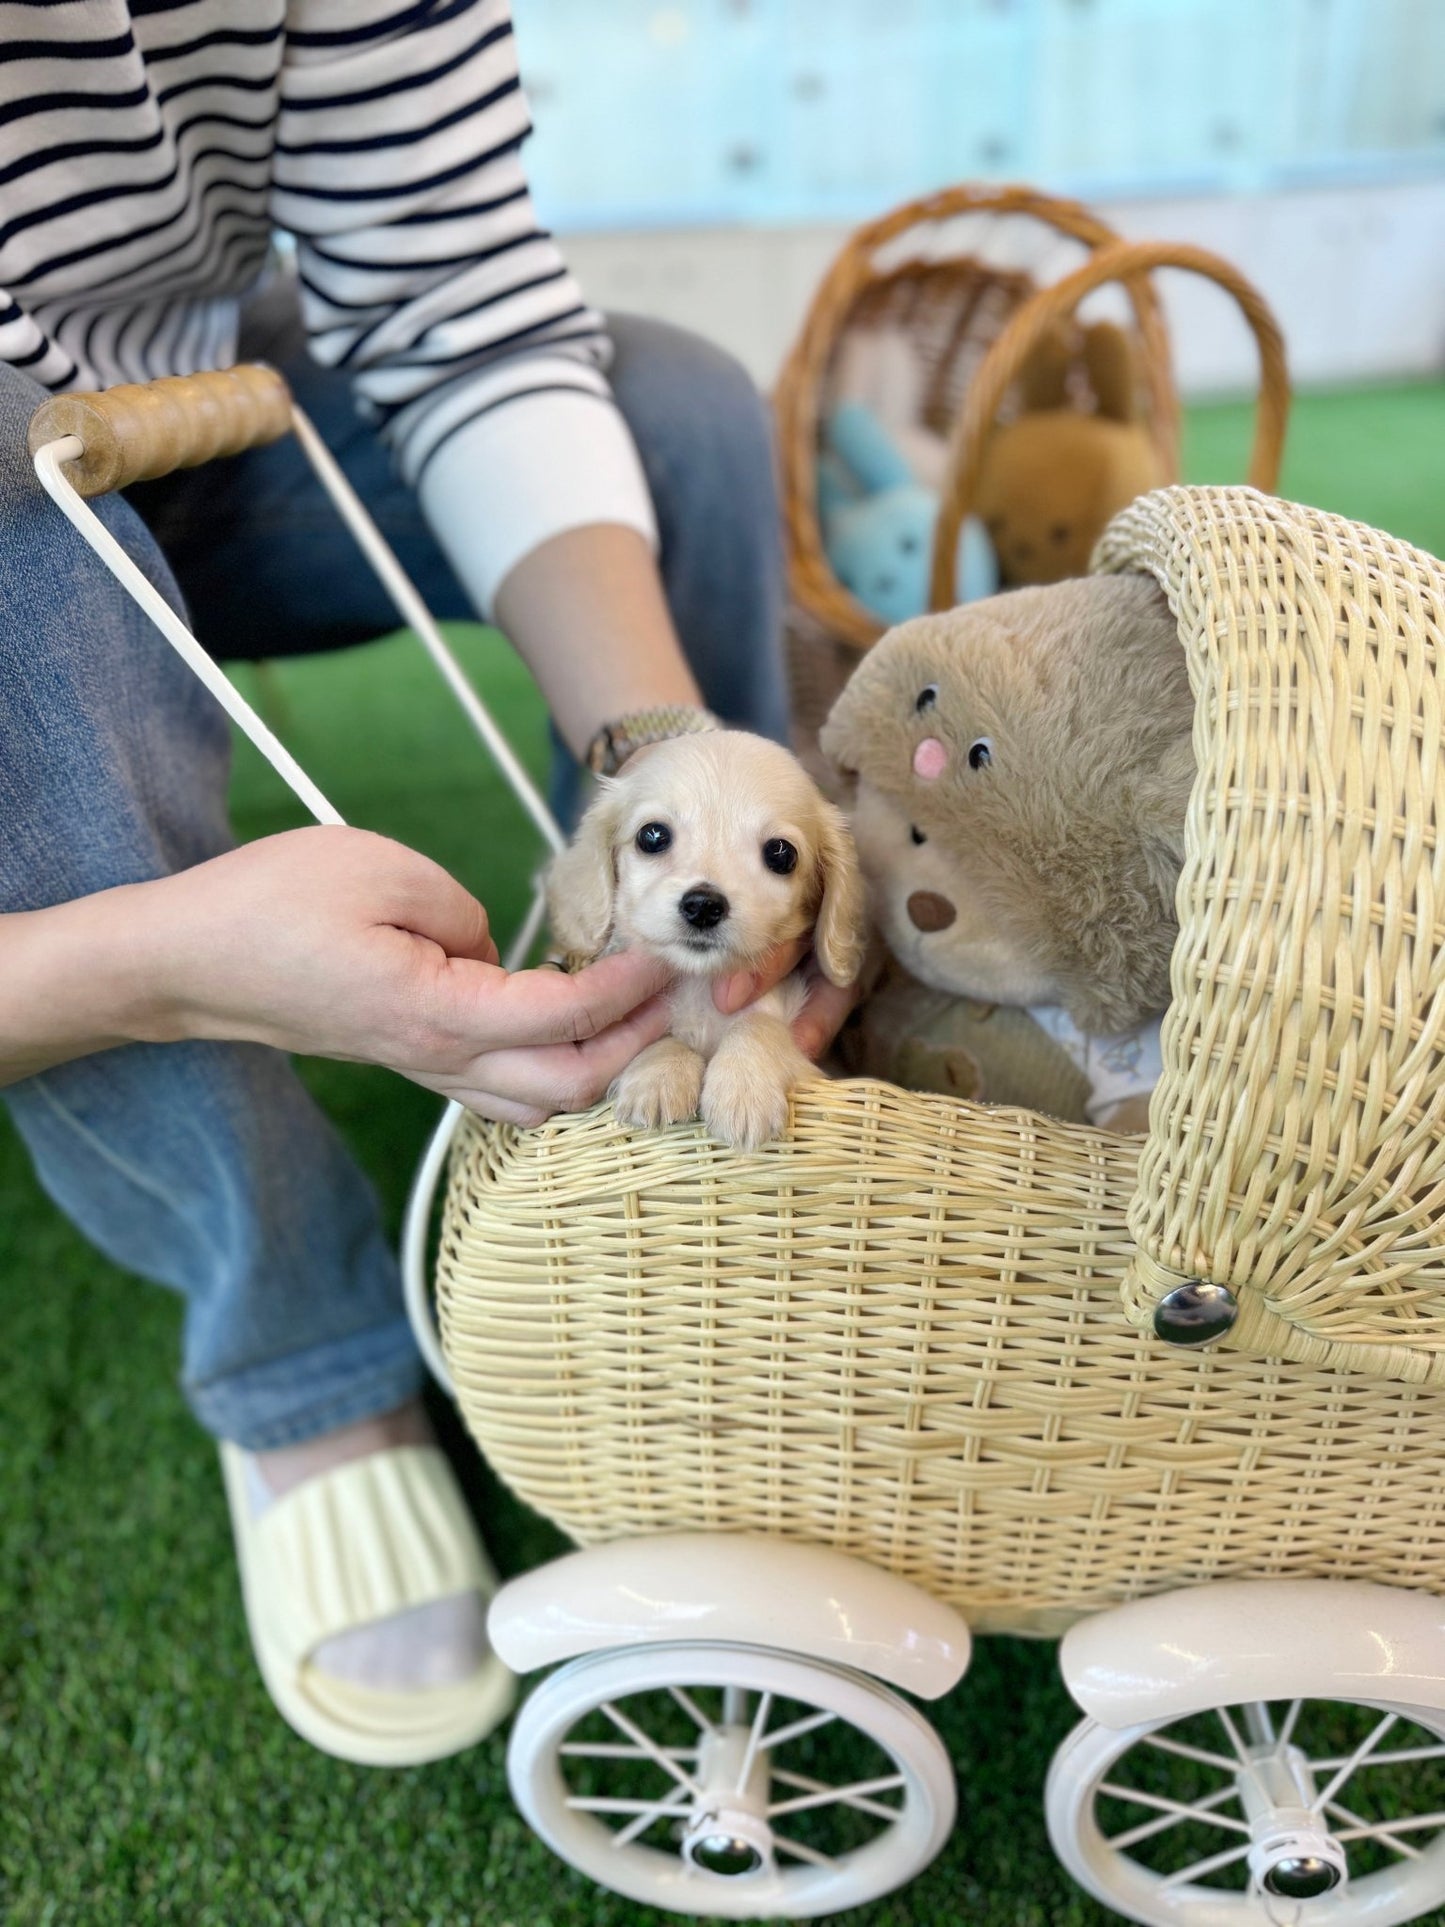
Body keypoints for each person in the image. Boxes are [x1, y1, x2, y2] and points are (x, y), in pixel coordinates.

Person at [0, 0, 854, 1764]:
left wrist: (661, 780)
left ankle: (693, 1067)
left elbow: (460, 295)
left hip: (173, 382)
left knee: (675, 406)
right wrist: (159, 963)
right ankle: (302, 1351)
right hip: (22, 515)